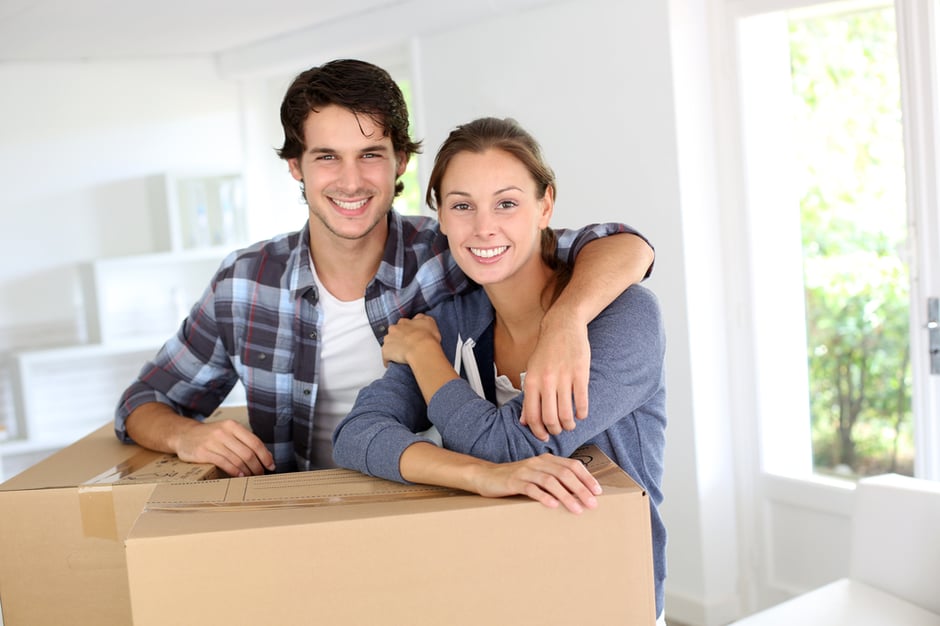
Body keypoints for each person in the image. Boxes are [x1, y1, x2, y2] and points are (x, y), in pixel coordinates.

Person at [115, 59, 655, 478]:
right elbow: (143, 403)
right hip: (293, 515)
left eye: (370, 154)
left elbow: (619, 247)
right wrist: (188, 437)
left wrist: (565, 322)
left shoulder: (453, 250)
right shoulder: (245, 283)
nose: (351, 181)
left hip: (419, 509)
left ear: (400, 161)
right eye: (327, 156)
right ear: (294, 166)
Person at [331, 117, 667, 621]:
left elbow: (512, 445)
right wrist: (480, 477)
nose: (484, 228)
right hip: (486, 592)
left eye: (506, 203)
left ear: (545, 206)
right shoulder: (449, 318)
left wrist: (425, 357)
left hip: (606, 596)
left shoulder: (626, 315)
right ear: (440, 217)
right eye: (462, 206)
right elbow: (356, 434)